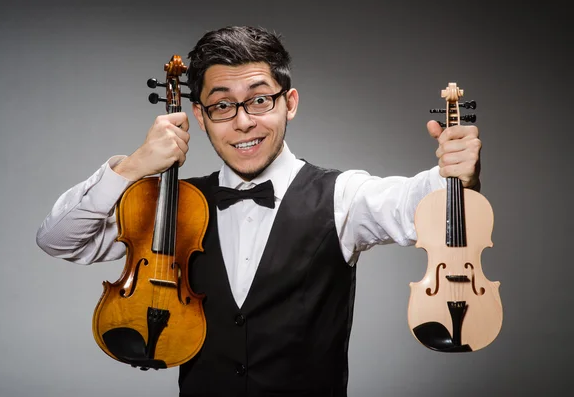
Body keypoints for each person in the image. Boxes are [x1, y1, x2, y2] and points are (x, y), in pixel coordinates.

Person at [36, 25, 482, 397]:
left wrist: (453, 174)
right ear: (200, 116)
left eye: (259, 99)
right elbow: (58, 239)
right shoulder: (176, 206)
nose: (243, 121)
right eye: (222, 105)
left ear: (289, 103)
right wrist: (132, 167)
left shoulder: (344, 195)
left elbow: (419, 206)